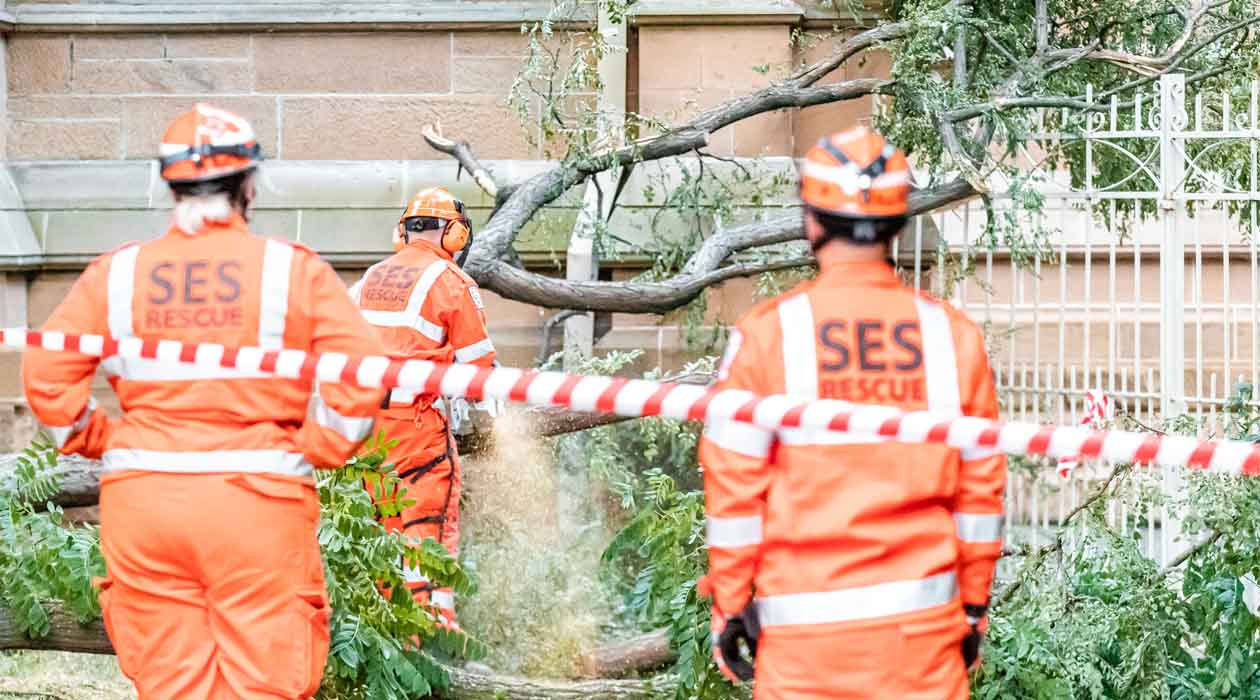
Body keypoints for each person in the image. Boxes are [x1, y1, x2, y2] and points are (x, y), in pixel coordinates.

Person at [22, 103, 386, 700]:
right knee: (264, 682)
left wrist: (101, 440)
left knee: (169, 684)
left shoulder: (117, 274)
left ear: (170, 186)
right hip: (256, 502)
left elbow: (45, 370)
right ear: (249, 184)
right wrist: (322, 446)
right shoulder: (289, 270)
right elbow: (362, 368)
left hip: (143, 504)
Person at [698, 127, 1006, 699]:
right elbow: (980, 495)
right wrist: (971, 609)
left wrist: (732, 604)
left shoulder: (768, 336)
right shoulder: (953, 337)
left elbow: (734, 491)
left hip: (802, 647)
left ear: (812, 222)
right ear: (898, 225)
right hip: (922, 644)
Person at [349, 186, 497, 628]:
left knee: (377, 537)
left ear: (403, 232)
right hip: (414, 434)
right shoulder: (451, 282)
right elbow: (480, 373)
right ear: (453, 236)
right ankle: (432, 642)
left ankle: (381, 647)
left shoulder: (369, 278)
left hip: (359, 430)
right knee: (427, 536)